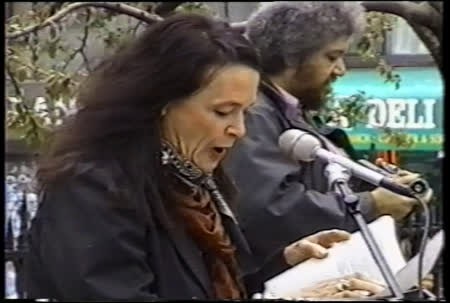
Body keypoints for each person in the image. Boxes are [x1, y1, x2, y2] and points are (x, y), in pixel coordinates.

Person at [23, 13, 383, 301]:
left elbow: (214, 285)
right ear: (161, 104)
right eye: (224, 111)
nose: (239, 129)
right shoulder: (93, 188)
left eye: (244, 111)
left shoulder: (193, 181)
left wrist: (286, 265)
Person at [224, 2, 432, 267]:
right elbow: (268, 211)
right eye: (332, 57)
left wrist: (381, 185)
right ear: (293, 55)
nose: (341, 70)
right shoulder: (256, 114)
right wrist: (372, 204)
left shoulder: (286, 110)